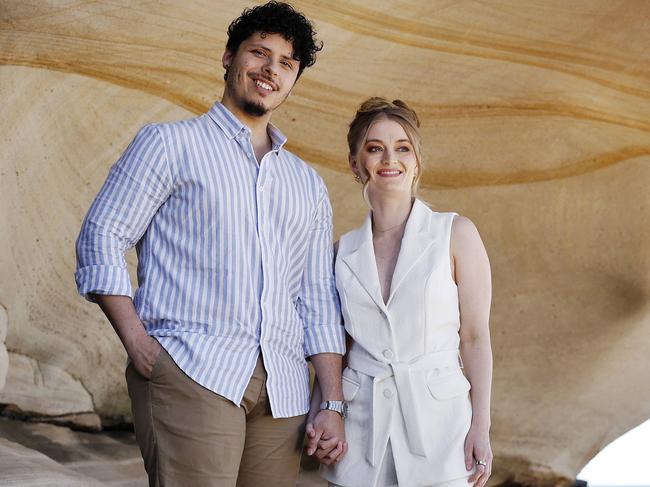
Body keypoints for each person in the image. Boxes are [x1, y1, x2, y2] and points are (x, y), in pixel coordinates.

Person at [74, 2, 347, 486]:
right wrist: (138, 343)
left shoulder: (306, 184)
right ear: (228, 56)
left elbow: (317, 300)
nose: (270, 70)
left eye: (286, 63)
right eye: (259, 53)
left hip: (282, 391)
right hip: (193, 369)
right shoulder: (168, 144)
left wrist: (330, 402)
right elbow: (102, 235)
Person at [311, 98, 493, 487]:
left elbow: (475, 337)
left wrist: (482, 424)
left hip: (442, 430)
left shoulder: (456, 233)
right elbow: (334, 347)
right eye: (374, 148)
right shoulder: (340, 253)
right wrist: (322, 413)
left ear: (417, 161)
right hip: (359, 431)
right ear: (355, 163)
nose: (389, 158)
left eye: (402, 147)